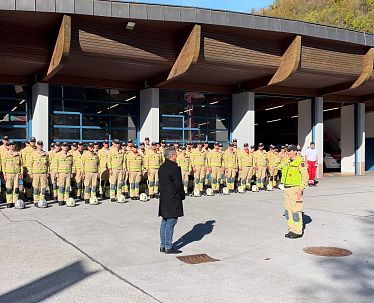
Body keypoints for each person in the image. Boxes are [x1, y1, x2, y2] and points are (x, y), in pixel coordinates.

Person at [158, 147, 185, 254]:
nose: (176, 157)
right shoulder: (174, 168)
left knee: (164, 221)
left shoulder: (162, 167)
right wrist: (182, 195)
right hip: (173, 197)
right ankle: (168, 246)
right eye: (175, 155)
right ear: (171, 156)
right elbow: (178, 184)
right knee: (171, 221)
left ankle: (163, 245)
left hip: (164, 197)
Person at [281, 145, 309, 239]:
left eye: (290, 151)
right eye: (287, 151)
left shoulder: (300, 162)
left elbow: (305, 175)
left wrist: (301, 188)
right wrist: (280, 156)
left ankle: (297, 231)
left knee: (296, 210)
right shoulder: (287, 161)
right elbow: (277, 166)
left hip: (295, 189)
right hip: (287, 188)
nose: (288, 152)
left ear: (295, 151)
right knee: (288, 211)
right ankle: (291, 229)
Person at [2, 141, 23, 208]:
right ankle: (9, 202)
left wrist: (21, 173)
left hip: (16, 174)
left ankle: (15, 201)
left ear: (15, 146)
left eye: (13, 145)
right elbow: (3, 165)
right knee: (9, 189)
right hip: (9, 174)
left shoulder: (18, 154)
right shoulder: (5, 154)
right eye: (10, 145)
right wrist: (4, 174)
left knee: (16, 189)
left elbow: (21, 164)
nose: (12, 146)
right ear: (9, 146)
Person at [30, 140, 49, 206]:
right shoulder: (33, 154)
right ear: (37, 145)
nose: (40, 146)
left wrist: (47, 172)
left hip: (43, 173)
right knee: (36, 188)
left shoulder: (46, 154)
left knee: (43, 188)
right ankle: (36, 200)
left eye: (41, 144)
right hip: (36, 173)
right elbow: (30, 164)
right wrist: (30, 173)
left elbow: (48, 164)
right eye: (39, 144)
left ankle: (42, 200)